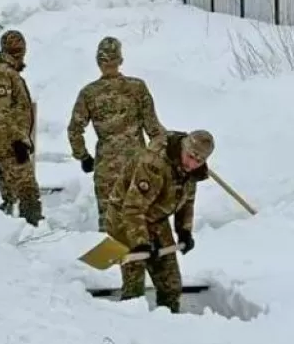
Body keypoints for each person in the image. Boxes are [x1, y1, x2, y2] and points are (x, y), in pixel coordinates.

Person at [104, 130, 214, 314]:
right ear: (183, 148)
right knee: (134, 288)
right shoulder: (154, 164)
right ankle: (129, 325)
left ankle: (168, 323)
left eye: (199, 161)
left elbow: (187, 202)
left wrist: (184, 231)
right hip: (125, 218)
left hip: (155, 218)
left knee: (171, 285)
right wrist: (141, 243)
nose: (192, 164)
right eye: (190, 157)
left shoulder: (193, 171)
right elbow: (132, 208)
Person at [67, 36, 165, 231]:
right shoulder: (137, 88)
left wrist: (83, 156)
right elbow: (154, 129)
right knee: (140, 219)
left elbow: (74, 130)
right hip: (137, 167)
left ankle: (111, 250)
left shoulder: (89, 93)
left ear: (98, 62)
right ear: (120, 60)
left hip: (107, 169)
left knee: (109, 222)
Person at [0, 29, 41, 225]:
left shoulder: (3, 71)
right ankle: (34, 228)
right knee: (27, 188)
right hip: (9, 143)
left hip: (3, 141)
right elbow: (1, 110)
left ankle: (4, 228)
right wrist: (18, 140)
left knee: (9, 191)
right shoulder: (2, 73)